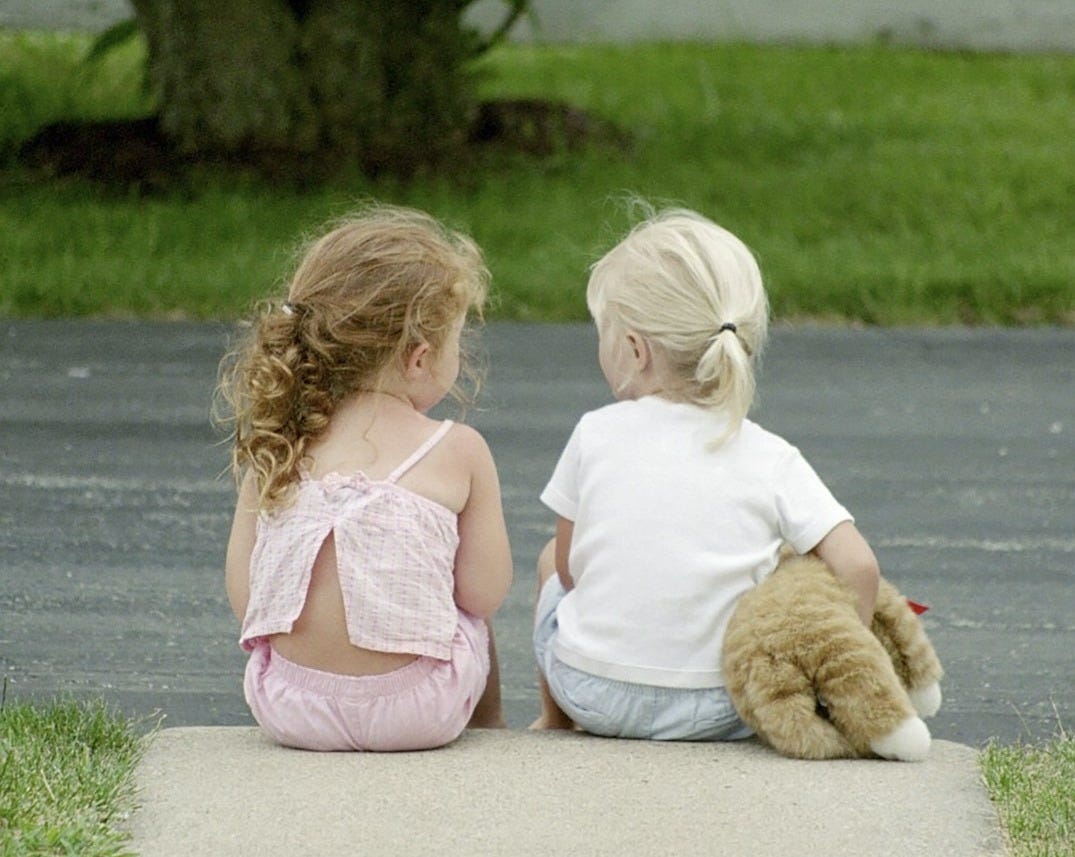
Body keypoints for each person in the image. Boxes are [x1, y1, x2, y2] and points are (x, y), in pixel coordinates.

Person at [532, 207, 881, 740]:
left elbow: (570, 569)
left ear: (634, 349)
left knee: (545, 567)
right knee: (785, 565)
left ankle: (556, 720)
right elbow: (858, 567)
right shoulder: (770, 455)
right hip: (730, 704)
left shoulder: (595, 433)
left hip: (594, 692)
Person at [217, 204, 513, 751]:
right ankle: (489, 726)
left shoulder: (280, 443)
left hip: (288, 707)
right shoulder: (459, 448)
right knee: (471, 620)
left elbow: (247, 598)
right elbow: (484, 593)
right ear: (419, 358)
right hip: (419, 711)